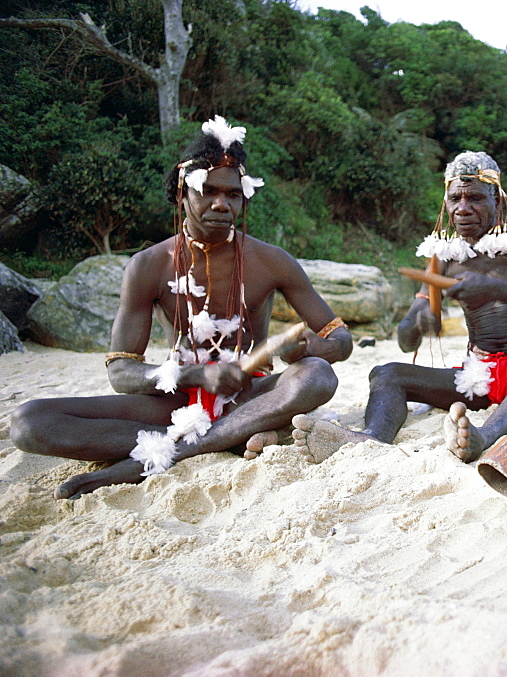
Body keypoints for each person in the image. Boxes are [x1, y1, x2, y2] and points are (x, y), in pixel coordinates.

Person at [10, 116, 353, 498]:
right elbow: (122, 371)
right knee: (29, 421)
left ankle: (161, 456)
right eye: (207, 191)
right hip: (175, 402)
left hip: (253, 394)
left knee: (317, 375)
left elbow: (339, 338)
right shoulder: (148, 265)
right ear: (181, 194)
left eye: (232, 194)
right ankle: (232, 437)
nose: (221, 203)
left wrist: (318, 347)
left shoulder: (273, 261)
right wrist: (195, 377)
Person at [292, 150, 507, 463]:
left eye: (476, 199)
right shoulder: (443, 257)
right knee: (386, 374)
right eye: (455, 199)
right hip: (478, 373)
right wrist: (421, 322)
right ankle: (371, 438)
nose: (463, 209)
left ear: (497, 200)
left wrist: (496, 288)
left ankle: (484, 436)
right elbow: (404, 341)